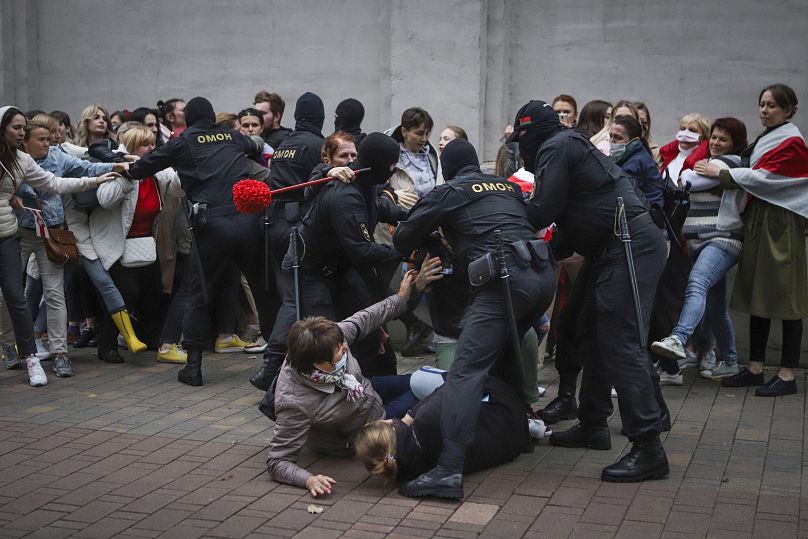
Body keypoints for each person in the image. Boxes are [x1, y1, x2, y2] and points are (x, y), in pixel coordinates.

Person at [510, 100, 670, 482]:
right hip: (612, 246)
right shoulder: (565, 145)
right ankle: (593, 424)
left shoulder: (556, 146)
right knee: (584, 329)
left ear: (530, 133)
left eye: (521, 138)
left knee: (620, 341)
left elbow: (544, 210)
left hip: (628, 243)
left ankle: (648, 445)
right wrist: (543, 253)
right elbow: (567, 226)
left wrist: (500, 201)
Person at [392, 137, 556, 499]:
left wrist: (431, 229)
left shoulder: (449, 191)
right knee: (507, 355)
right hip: (542, 275)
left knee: (466, 371)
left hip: (503, 278)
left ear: (445, 168)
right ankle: (517, 434)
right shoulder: (507, 187)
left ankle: (448, 470)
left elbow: (403, 237)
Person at [128, 96, 281, 386]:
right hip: (248, 222)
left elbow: (142, 168)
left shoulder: (183, 141)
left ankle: (194, 367)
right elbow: (254, 145)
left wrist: (126, 166)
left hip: (211, 226)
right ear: (211, 117)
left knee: (199, 294)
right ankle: (276, 363)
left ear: (189, 119)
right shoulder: (233, 136)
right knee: (263, 292)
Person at [267, 265, 441, 496]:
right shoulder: (294, 402)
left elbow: (369, 316)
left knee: (423, 380)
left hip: (364, 391)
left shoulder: (328, 337)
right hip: (368, 425)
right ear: (319, 365)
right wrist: (308, 480)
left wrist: (402, 297)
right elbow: (277, 461)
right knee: (431, 394)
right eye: (340, 350)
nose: (346, 347)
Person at [257, 132, 404, 387]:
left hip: (339, 266)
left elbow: (381, 208)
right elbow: (361, 250)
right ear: (329, 157)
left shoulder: (364, 183)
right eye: (343, 156)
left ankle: (381, 381)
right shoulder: (337, 188)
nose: (349, 160)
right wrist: (402, 251)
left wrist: (421, 216)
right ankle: (274, 383)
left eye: (353, 155)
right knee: (319, 332)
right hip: (310, 267)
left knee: (367, 319)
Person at [690, 84, 807, 397]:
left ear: (789, 109)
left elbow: (769, 178)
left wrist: (724, 173)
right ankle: (755, 368)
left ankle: (787, 375)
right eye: (762, 104)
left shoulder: (792, 141)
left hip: (781, 223)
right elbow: (757, 173)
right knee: (760, 293)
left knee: (785, 297)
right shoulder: (768, 139)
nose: (764, 110)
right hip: (759, 221)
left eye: (772, 105)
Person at [0, 106, 117, 386]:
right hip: (21, 232)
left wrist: (101, 176)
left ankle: (56, 352)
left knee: (46, 293)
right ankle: (8, 344)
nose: (48, 143)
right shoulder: (15, 161)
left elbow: (57, 182)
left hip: (42, 233)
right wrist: (15, 197)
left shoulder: (27, 159)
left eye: (49, 138)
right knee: (9, 297)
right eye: (19, 129)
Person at [651, 118, 748, 380]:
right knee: (716, 306)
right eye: (714, 138)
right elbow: (687, 176)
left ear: (734, 144)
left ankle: (678, 338)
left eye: (723, 139)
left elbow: (689, 180)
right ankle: (729, 361)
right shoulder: (708, 165)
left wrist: (692, 172)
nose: (716, 143)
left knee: (696, 283)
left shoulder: (732, 164)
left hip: (722, 240)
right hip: (697, 242)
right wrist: (691, 172)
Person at [89, 126, 182, 361]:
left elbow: (176, 189)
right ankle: (107, 344)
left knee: (153, 292)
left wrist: (182, 166)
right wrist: (129, 175)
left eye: (153, 144)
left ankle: (148, 338)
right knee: (125, 294)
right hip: (115, 243)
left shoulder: (158, 173)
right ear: (131, 149)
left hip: (145, 244)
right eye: (145, 145)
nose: (151, 149)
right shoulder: (119, 169)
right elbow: (105, 199)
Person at [356, 375, 546, 484]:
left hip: (513, 443)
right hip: (509, 414)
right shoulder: (428, 417)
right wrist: (410, 415)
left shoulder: (409, 472)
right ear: (390, 428)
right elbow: (460, 382)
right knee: (425, 380)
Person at [610, 115, 664, 207]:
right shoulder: (632, 155)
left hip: (648, 214)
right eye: (610, 136)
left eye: (618, 138)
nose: (611, 141)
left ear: (634, 141)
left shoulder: (636, 161)